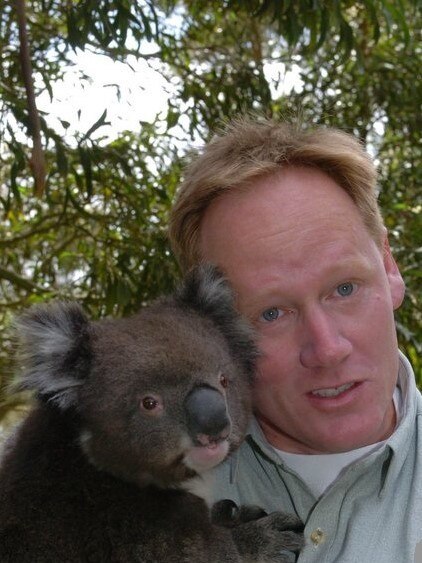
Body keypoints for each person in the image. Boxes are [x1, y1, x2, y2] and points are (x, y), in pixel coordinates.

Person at [168, 117, 422, 562]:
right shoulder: (142, 494)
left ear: (389, 269)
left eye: (344, 289)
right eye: (271, 313)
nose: (327, 349)